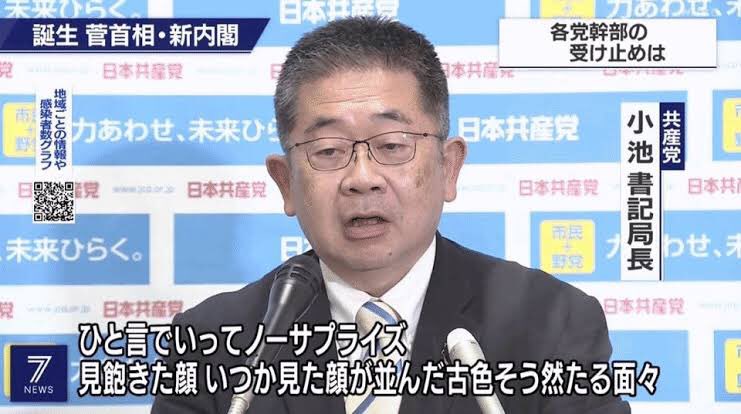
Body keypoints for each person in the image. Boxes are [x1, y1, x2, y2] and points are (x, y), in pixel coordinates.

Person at [152, 16, 631, 414]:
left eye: (392, 145)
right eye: (328, 150)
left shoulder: (550, 322)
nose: (363, 178)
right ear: (286, 182)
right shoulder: (212, 341)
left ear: (448, 167)